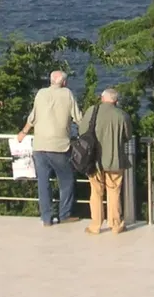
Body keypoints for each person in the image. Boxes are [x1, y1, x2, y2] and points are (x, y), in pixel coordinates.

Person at [18, 69, 81, 226]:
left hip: (39, 145)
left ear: (50, 80)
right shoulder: (67, 94)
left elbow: (33, 117)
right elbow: (78, 117)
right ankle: (64, 214)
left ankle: (46, 218)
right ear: (64, 82)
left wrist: (23, 132)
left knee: (43, 183)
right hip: (59, 146)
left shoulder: (40, 93)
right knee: (66, 181)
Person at [82, 87, 133, 235]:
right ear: (116, 101)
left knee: (96, 192)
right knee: (114, 191)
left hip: (94, 160)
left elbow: (82, 132)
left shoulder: (92, 111)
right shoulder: (122, 115)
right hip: (115, 160)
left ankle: (95, 225)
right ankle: (115, 224)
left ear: (102, 98)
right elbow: (128, 136)